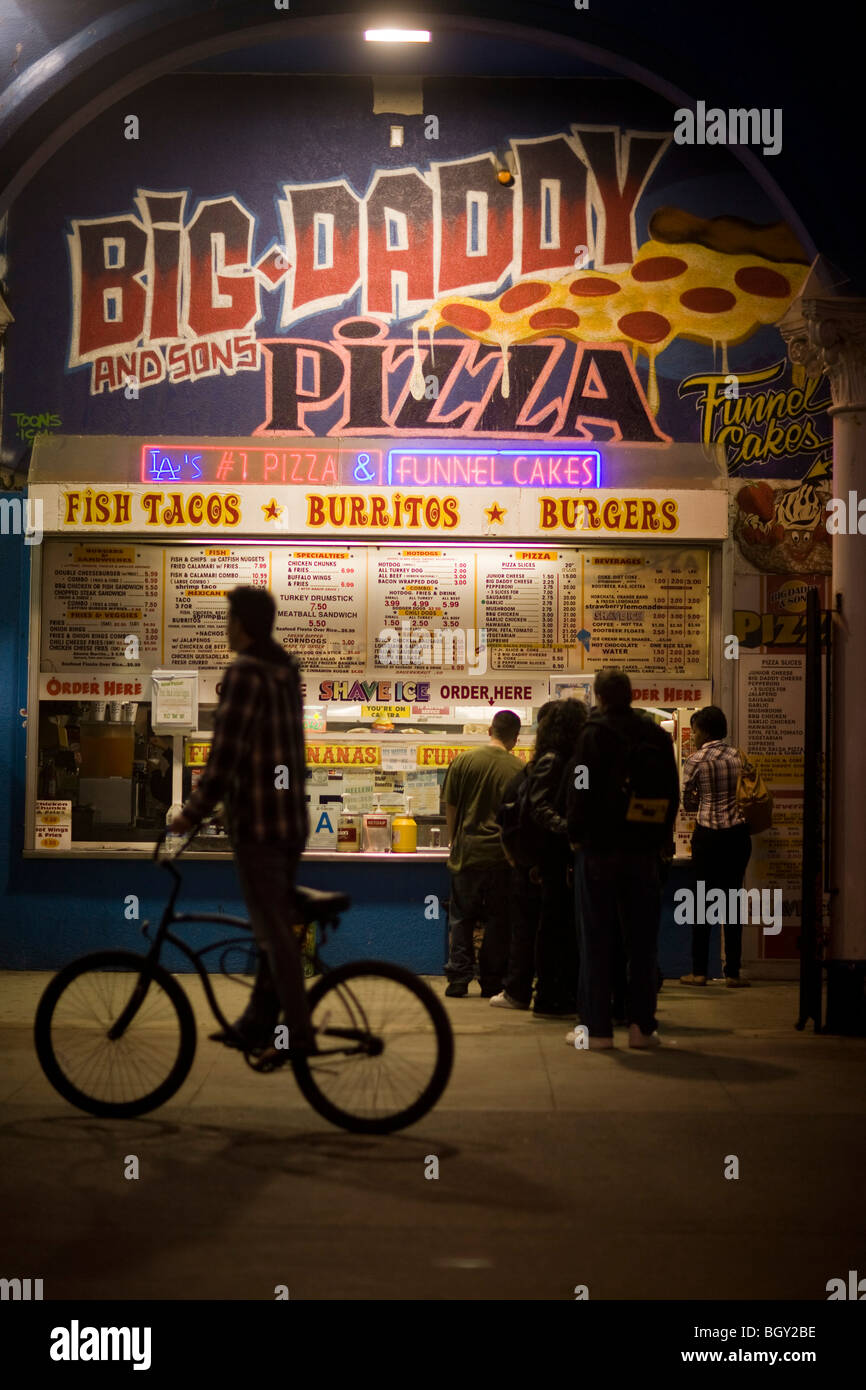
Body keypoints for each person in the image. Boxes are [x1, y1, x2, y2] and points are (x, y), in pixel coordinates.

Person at [170, 586, 313, 1063]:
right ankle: (258, 1022)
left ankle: (296, 1035)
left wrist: (189, 812)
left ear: (243, 624)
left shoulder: (246, 673)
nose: (225, 627)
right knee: (269, 932)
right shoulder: (284, 671)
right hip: (290, 822)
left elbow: (224, 757)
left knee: (274, 934)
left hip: (262, 829)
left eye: (229, 618)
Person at [567, 669, 679, 1049]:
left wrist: (576, 835)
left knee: (595, 940)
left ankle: (596, 1032)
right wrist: (662, 836)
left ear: (598, 696)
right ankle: (641, 1028)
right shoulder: (654, 735)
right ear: (632, 695)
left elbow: (579, 785)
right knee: (643, 942)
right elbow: (672, 790)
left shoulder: (592, 734)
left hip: (598, 849)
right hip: (643, 849)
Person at [443, 710, 523, 997]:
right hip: (502, 858)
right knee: (498, 921)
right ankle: (491, 981)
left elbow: (450, 806)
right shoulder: (517, 768)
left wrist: (454, 840)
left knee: (461, 918)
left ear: (490, 730)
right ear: (515, 737)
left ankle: (458, 979)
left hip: (467, 854)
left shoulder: (464, 760)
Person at [522, 698, 589, 1017]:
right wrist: (571, 831)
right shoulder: (553, 760)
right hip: (556, 857)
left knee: (560, 926)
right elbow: (539, 806)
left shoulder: (566, 759)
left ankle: (558, 993)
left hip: (559, 857)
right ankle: (549, 995)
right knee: (554, 926)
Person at [680, 705, 752, 987]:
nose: (694, 736)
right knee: (732, 901)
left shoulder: (695, 760)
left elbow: (688, 803)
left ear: (705, 730)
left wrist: (701, 799)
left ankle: (699, 972)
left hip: (708, 836)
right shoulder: (739, 757)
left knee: (701, 902)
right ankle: (732, 972)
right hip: (737, 836)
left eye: (695, 730)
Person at [490, 701, 555, 1011]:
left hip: (529, 864)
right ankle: (553, 992)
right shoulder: (573, 764)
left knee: (522, 928)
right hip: (561, 864)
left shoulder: (535, 767)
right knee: (555, 930)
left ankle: (514, 989)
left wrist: (519, 857)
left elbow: (511, 815)